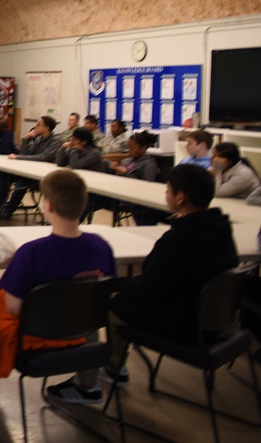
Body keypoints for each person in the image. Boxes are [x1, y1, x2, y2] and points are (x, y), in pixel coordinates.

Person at [47, 165, 237, 404]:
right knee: (122, 297)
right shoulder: (220, 228)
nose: (165, 194)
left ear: (180, 197)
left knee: (107, 302)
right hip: (215, 322)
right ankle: (114, 369)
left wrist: (111, 283)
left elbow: (149, 290)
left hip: (185, 325)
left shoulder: (180, 238)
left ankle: (88, 384)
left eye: (168, 189)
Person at [0, 170, 115, 380]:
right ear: (84, 205)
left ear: (48, 205)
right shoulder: (101, 247)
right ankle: (89, 385)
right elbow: (102, 297)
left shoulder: (31, 253)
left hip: (36, 334)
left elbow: (14, 307)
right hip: (81, 330)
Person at [0, 116, 60, 220]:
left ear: (46, 128)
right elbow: (26, 153)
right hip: (30, 171)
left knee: (23, 183)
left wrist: (18, 157)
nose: (35, 126)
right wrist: (25, 139)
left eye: (38, 124)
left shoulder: (56, 141)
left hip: (43, 176)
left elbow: (43, 157)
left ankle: (8, 211)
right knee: (5, 174)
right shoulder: (39, 139)